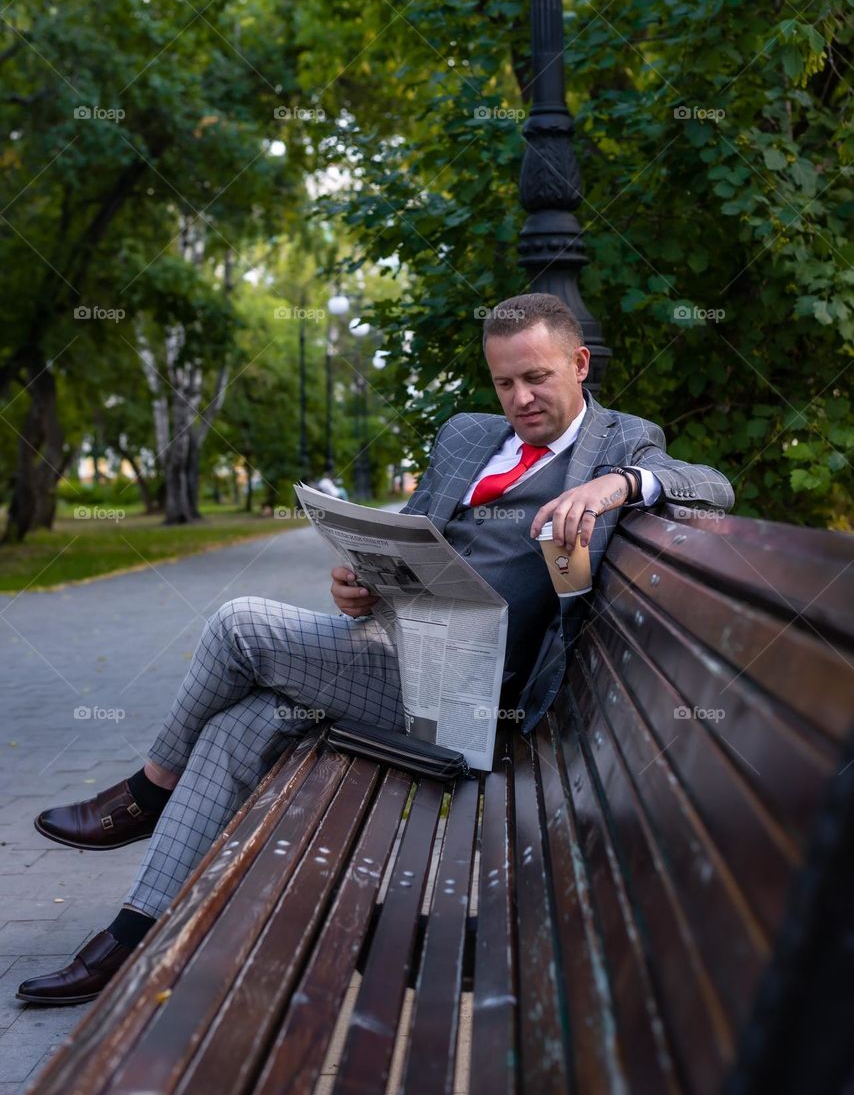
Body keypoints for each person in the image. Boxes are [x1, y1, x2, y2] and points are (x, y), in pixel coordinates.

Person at [17, 293, 734, 1005]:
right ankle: (136, 933)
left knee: (241, 623)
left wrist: (619, 484)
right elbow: (412, 539)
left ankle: (146, 793)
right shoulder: (466, 436)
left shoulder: (619, 440)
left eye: (537, 377)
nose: (520, 397)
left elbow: (713, 487)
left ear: (579, 364)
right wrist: (360, 584)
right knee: (242, 724)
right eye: (504, 382)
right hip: (395, 651)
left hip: (476, 699)